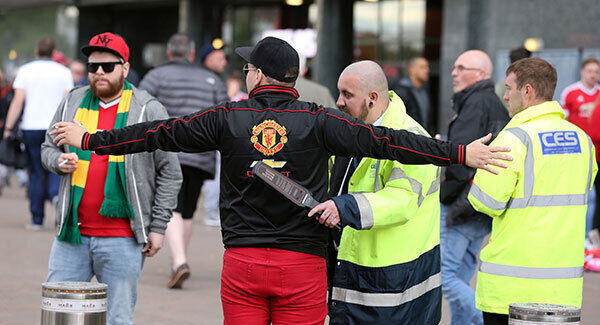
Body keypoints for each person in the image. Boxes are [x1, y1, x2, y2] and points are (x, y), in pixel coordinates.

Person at [50, 36, 510, 324]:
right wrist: (459, 152)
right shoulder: (320, 120)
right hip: (303, 268)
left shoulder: (228, 116)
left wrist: (91, 139)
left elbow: (156, 134)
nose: (245, 72)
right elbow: (388, 141)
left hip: (243, 265)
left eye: (248, 67)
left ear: (259, 75)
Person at [40, 32, 182, 324]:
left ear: (125, 68)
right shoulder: (72, 102)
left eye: (108, 66)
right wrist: (58, 160)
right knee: (59, 317)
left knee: (117, 319)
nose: (99, 73)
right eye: (93, 67)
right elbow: (47, 147)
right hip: (71, 235)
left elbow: (170, 172)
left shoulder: (147, 109)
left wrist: (158, 227)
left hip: (123, 239)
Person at [469, 57, 597, 325]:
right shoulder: (583, 141)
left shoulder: (514, 138)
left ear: (526, 91)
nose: (505, 96)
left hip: (511, 291)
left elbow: (486, 202)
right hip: (563, 292)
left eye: (508, 88)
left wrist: (476, 167)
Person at [312, 60, 441, 324]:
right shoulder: (352, 132)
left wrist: (343, 208)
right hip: (356, 274)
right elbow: (334, 181)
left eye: (347, 94)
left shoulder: (411, 138)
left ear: (372, 98)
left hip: (396, 286)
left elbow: (401, 201)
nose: (339, 101)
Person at [139, 32, 229, 289]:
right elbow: (224, 116)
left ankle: (179, 261)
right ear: (191, 54)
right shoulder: (211, 79)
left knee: (172, 207)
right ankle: (180, 259)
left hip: (168, 152)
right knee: (187, 209)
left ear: (168, 54)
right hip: (201, 155)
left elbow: (140, 109)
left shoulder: (156, 76)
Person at [441, 50, 510, 325]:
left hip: (462, 206)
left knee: (445, 277)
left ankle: (485, 319)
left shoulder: (476, 103)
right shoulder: (491, 102)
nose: (454, 72)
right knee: (460, 276)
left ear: (481, 74)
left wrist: (446, 194)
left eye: (461, 67)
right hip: (481, 204)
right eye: (454, 66)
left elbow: (462, 156)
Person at [3, 37, 74, 230]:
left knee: (35, 170)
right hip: (56, 126)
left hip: (31, 126)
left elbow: (18, 101)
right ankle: (55, 196)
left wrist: (8, 127)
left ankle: (36, 218)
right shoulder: (64, 72)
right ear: (53, 52)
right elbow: (69, 100)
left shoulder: (26, 71)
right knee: (56, 166)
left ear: (36, 51)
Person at [561, 57, 600, 239]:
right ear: (582, 72)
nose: (593, 75)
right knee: (583, 194)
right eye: (590, 71)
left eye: (596, 72)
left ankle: (589, 234)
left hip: (597, 153)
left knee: (594, 197)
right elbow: (562, 120)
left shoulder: (599, 93)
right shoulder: (571, 92)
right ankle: (576, 233)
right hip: (577, 152)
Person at [199, 38, 228, 227]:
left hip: (200, 132)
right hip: (208, 133)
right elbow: (222, 107)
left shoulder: (213, 79)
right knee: (213, 175)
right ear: (207, 59)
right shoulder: (210, 80)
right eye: (219, 58)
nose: (224, 62)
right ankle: (210, 212)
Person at [392, 57, 433, 133]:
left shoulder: (425, 90)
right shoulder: (401, 91)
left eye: (427, 67)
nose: (427, 70)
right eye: (422, 67)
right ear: (411, 69)